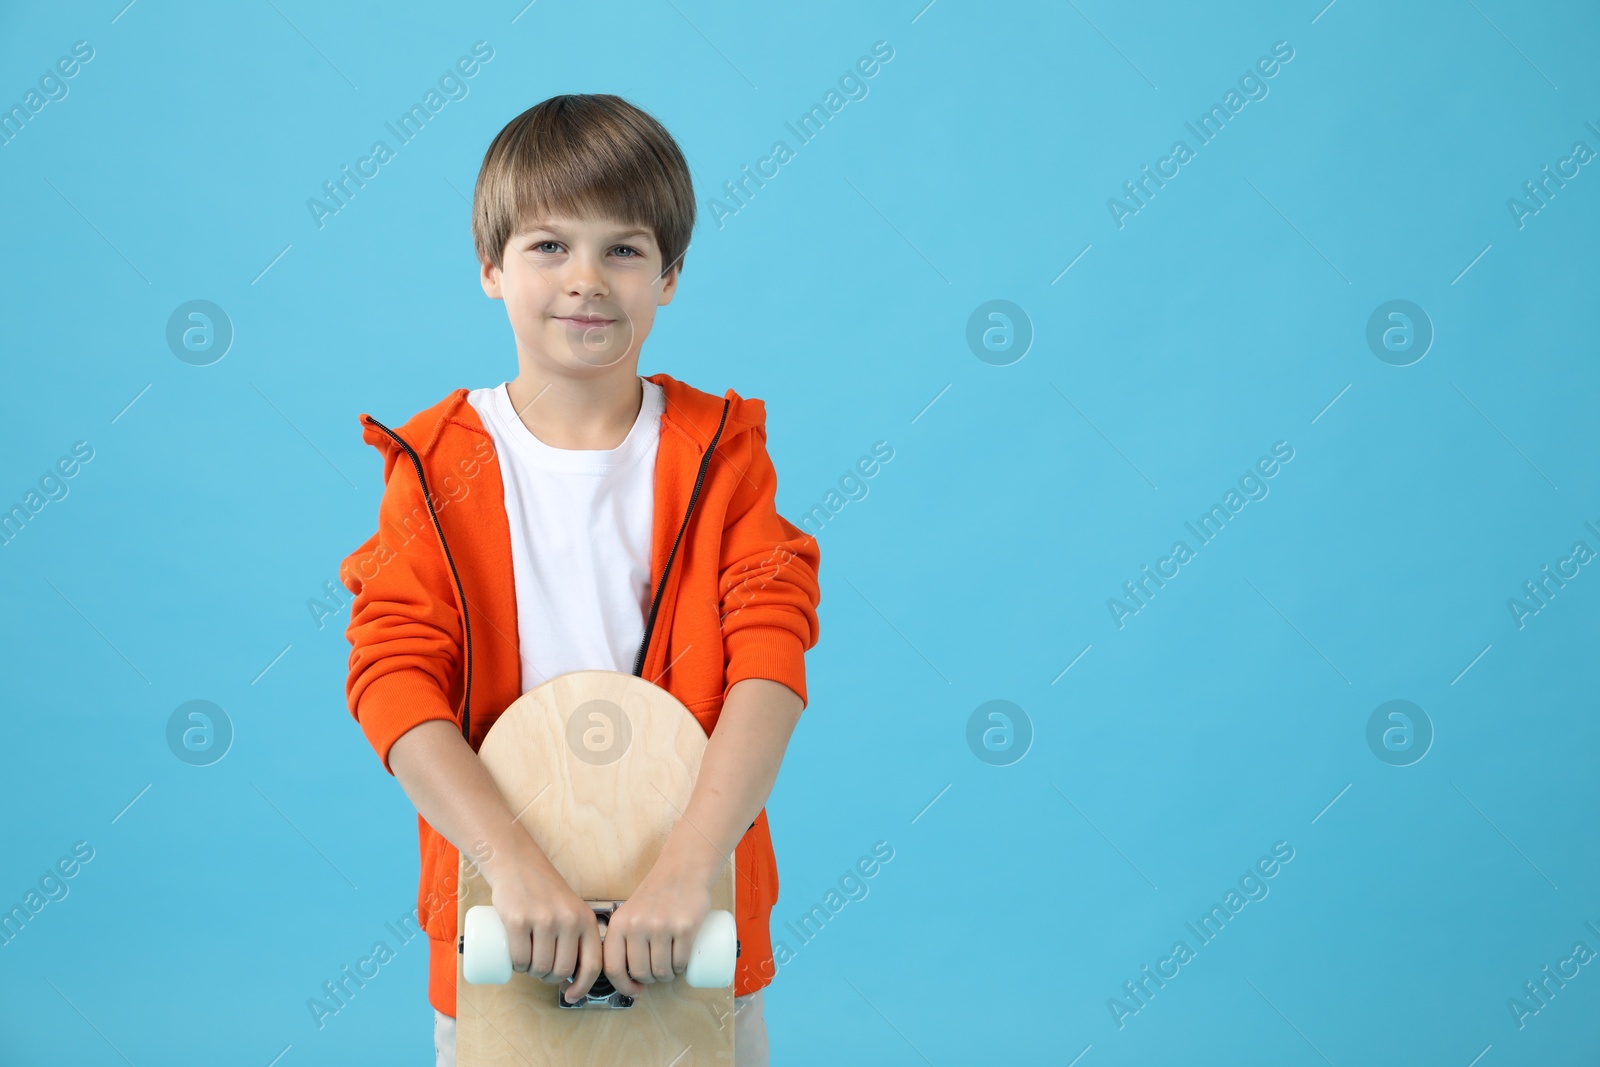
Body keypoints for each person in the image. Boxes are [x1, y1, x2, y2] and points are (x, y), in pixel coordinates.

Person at [338, 93, 822, 1067]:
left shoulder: (722, 455)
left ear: (671, 275)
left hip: (690, 912)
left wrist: (691, 866)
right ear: (490, 267)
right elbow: (392, 680)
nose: (586, 280)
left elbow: (769, 659)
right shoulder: (433, 466)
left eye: (625, 249)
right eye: (549, 246)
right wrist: (508, 864)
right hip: (503, 917)